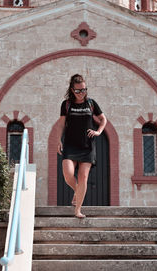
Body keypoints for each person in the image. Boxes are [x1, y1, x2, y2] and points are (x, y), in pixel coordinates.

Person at [56, 74, 107, 218]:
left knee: (83, 177)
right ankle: (78, 190)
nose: (81, 93)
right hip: (70, 145)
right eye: (78, 91)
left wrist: (98, 132)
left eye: (83, 90)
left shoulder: (91, 103)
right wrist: (58, 140)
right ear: (72, 90)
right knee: (68, 175)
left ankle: (77, 209)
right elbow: (61, 124)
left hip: (87, 146)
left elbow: (103, 119)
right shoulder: (66, 104)